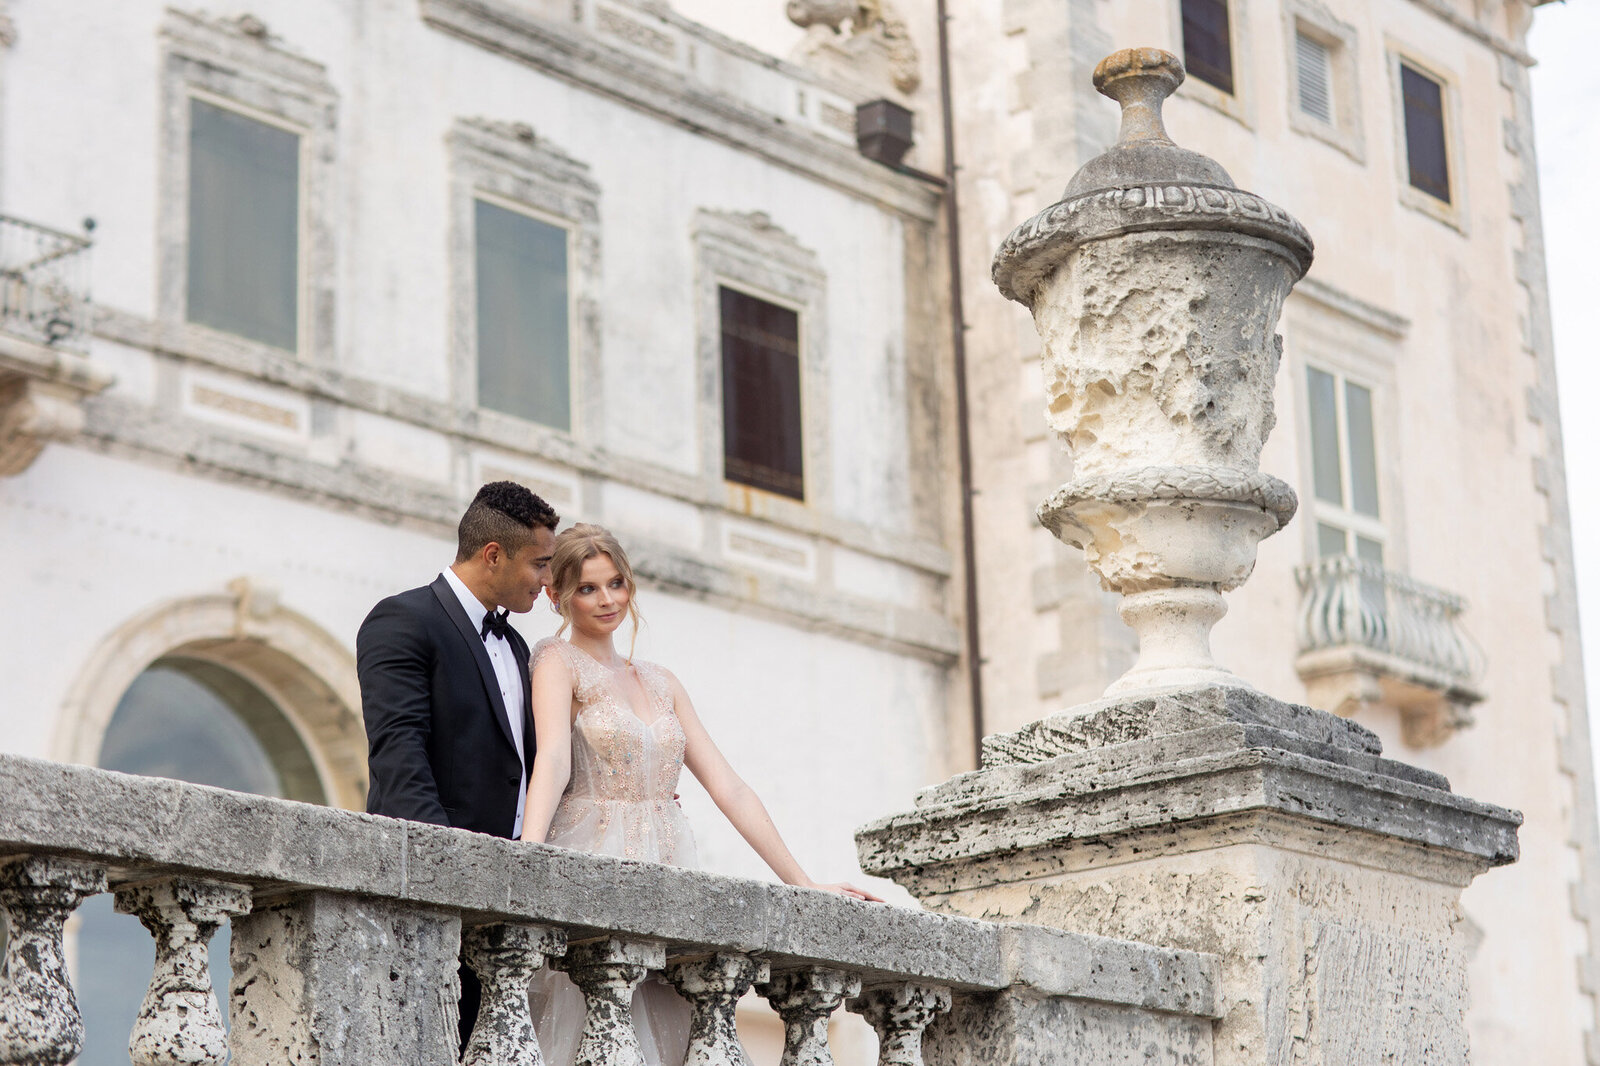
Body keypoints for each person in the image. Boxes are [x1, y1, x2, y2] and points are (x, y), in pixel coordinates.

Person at [519, 523, 880, 1066]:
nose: (607, 599)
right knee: (596, 1027)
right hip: (593, 855)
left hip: (670, 863)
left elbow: (728, 786)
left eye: (616, 582)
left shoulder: (662, 680)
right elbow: (551, 759)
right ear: (557, 595)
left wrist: (803, 883)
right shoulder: (556, 661)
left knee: (670, 1028)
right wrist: (528, 857)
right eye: (588, 588)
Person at [356, 479, 558, 1047]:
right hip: (434, 898)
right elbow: (400, 757)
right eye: (540, 565)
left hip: (510, 906)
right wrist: (452, 878)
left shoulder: (518, 646)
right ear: (493, 555)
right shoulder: (402, 619)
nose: (547, 583)